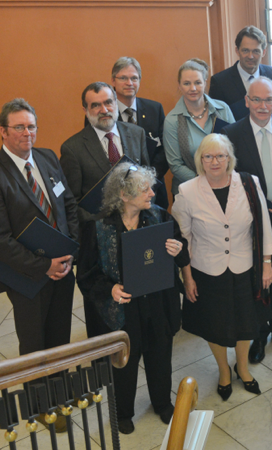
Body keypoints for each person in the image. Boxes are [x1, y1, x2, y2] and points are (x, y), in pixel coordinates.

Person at [0, 99, 79, 431]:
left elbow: (68, 205)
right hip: (27, 278)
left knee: (60, 336)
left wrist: (70, 250)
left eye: (31, 126)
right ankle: (41, 406)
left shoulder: (47, 158)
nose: (27, 133)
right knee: (34, 343)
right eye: (18, 127)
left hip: (63, 269)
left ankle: (60, 394)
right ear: (3, 131)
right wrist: (43, 266)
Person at [77, 163, 189, 434]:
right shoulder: (98, 226)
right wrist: (110, 289)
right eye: (144, 189)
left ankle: (162, 403)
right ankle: (123, 412)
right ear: (124, 195)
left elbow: (183, 251)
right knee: (124, 362)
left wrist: (178, 249)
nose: (152, 193)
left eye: (151, 187)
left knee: (160, 355)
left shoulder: (161, 217)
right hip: (123, 308)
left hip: (157, 302)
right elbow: (86, 274)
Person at [172, 134, 272, 399]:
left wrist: (267, 263)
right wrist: (187, 277)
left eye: (220, 156)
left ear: (229, 158)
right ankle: (224, 371)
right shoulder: (187, 191)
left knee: (246, 321)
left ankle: (242, 368)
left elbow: (263, 224)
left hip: (244, 266)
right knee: (215, 324)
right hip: (207, 269)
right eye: (208, 156)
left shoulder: (249, 183)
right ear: (200, 160)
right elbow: (184, 238)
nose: (215, 162)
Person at [222, 77, 272, 363]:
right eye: (256, 99)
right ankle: (258, 335)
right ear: (246, 101)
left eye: (268, 99)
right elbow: (229, 181)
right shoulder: (231, 133)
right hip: (248, 225)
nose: (262, 105)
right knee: (254, 282)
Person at [61, 82, 150, 338]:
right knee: (103, 306)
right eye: (96, 105)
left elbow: (146, 180)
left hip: (136, 232)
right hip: (99, 240)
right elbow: (71, 202)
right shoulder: (72, 148)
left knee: (139, 296)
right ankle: (106, 348)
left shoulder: (136, 133)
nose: (104, 109)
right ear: (85, 110)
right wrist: (102, 222)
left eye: (108, 102)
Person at [163, 58, 235, 195]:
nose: (193, 88)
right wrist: (206, 183)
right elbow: (175, 165)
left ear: (205, 82)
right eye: (186, 83)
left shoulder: (223, 110)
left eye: (197, 82)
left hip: (225, 186)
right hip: (189, 191)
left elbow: (234, 147)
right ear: (179, 85)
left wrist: (220, 181)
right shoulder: (172, 120)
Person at [111, 57, 170, 209]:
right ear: (113, 81)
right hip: (119, 195)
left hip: (153, 191)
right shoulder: (105, 114)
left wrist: (147, 180)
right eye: (123, 78)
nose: (129, 83)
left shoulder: (154, 109)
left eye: (134, 78)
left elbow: (165, 150)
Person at [209, 26, 272, 121]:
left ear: (263, 52)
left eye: (256, 51)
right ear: (237, 51)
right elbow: (218, 121)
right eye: (245, 50)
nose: (250, 56)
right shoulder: (220, 82)